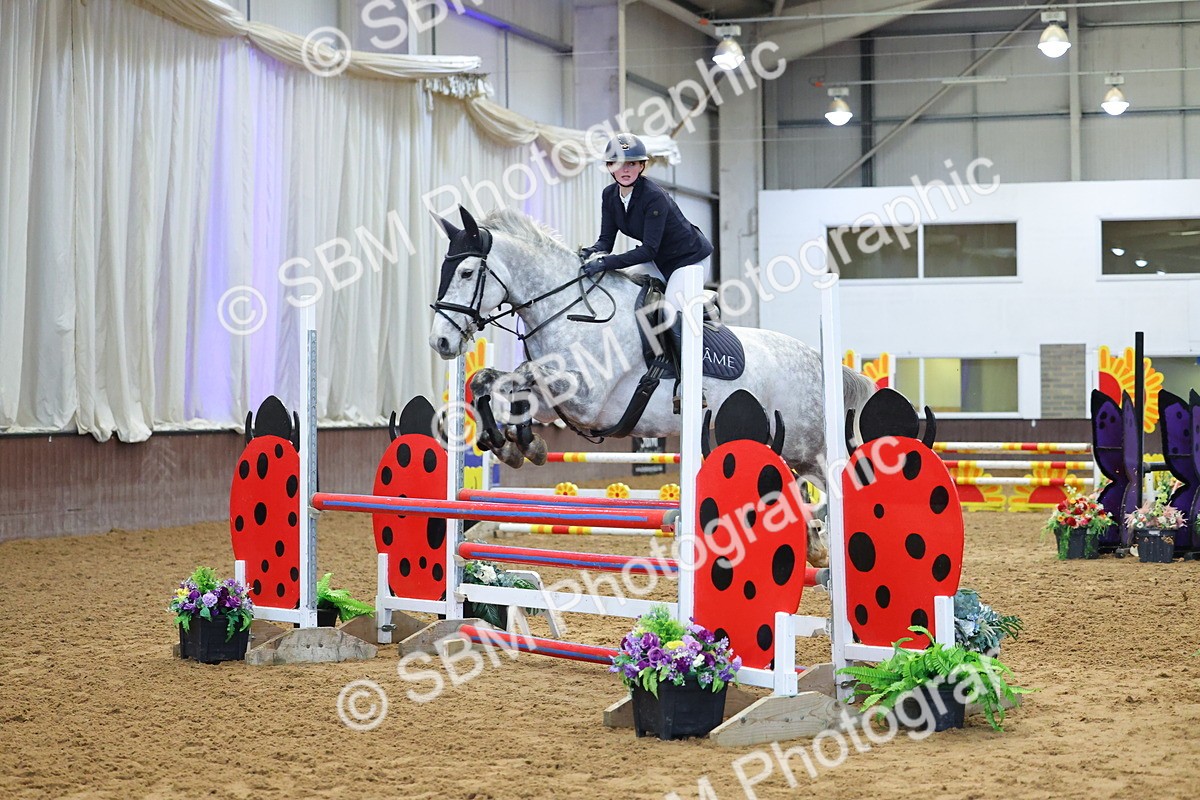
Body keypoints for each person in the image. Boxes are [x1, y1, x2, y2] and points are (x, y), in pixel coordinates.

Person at [578, 133, 714, 310]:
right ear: (610, 167)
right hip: (658, 261)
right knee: (619, 289)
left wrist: (604, 263)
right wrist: (589, 253)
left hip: (688, 260)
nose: (625, 170)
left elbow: (649, 250)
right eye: (618, 164)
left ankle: (693, 333)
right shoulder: (609, 195)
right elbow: (605, 242)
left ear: (642, 166)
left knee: (671, 311)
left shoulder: (654, 196)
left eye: (631, 164)